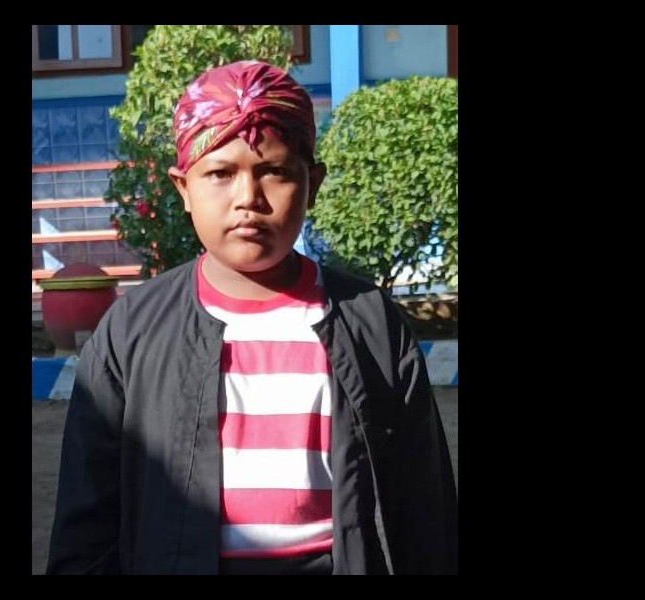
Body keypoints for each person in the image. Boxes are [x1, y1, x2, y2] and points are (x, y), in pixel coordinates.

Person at [46, 59, 458, 575]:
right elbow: (87, 519)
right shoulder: (132, 331)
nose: (249, 199)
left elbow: (424, 506)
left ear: (313, 183)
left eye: (275, 172)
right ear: (183, 188)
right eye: (220, 174)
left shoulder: (370, 323)